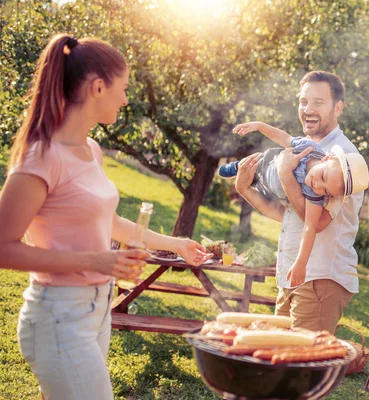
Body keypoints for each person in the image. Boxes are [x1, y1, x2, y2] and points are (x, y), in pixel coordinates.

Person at [0, 34, 212, 400]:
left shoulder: (91, 150)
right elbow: (3, 248)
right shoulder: (41, 157)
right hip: (58, 316)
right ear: (99, 87)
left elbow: (106, 221)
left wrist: (174, 244)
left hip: (95, 310)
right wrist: (97, 260)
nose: (127, 99)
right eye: (124, 88)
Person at [234, 71, 365, 333]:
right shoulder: (304, 150)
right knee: (281, 360)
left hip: (320, 280)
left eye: (318, 102)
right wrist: (245, 190)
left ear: (337, 108)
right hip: (293, 276)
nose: (307, 109)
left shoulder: (343, 162)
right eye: (303, 101)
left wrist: (285, 176)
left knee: (302, 369)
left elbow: (315, 222)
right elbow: (290, 215)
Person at [220, 121, 368, 286]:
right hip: (265, 163)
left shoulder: (314, 194)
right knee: (246, 165)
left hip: (267, 189)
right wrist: (260, 126)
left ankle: (244, 173)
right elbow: (284, 138)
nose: (317, 185)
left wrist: (300, 263)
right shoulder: (308, 148)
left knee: (260, 186)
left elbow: (310, 228)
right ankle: (235, 166)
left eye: (326, 191)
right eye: (323, 177)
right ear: (327, 158)